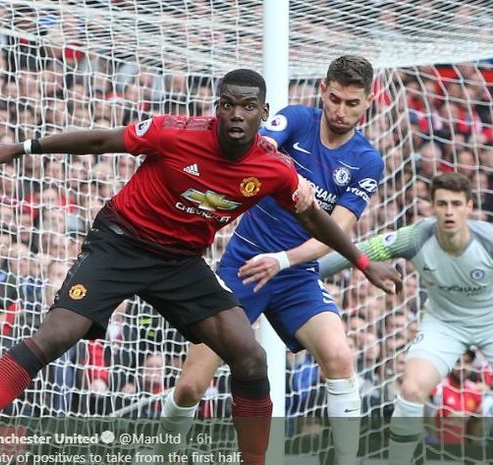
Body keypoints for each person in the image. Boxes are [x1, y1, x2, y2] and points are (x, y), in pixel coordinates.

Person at [0, 69, 400, 465]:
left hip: (180, 262)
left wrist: (363, 263)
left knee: (250, 356)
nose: (236, 115)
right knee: (56, 335)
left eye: (247, 107)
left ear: (263, 112)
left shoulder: (273, 169)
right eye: (228, 105)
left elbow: (317, 220)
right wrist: (24, 147)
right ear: (217, 108)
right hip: (120, 243)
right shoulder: (176, 133)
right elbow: (101, 139)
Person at [158, 56, 393, 465]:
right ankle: (162, 453)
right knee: (191, 387)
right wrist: (286, 170)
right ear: (323, 90)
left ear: (367, 102)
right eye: (335, 99)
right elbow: (252, 148)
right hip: (243, 266)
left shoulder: (366, 160)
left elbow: (333, 234)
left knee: (339, 357)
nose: (340, 111)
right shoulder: (297, 121)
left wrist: (282, 261)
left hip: (295, 273)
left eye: (352, 103)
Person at [318, 172, 493, 465]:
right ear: (432, 206)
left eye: (456, 204)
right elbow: (357, 252)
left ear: (469, 206)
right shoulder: (415, 237)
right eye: (442, 204)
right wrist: (306, 270)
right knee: (412, 390)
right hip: (444, 322)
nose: (449, 211)